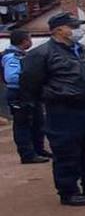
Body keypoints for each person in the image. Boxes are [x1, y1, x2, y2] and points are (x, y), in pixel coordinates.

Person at [20, 12, 85, 206]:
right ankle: (69, 191)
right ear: (59, 30)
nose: (77, 31)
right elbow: (30, 84)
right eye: (72, 27)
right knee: (67, 151)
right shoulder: (41, 54)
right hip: (63, 110)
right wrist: (52, 97)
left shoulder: (83, 50)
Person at [3, 30, 51, 164]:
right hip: (19, 94)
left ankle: (38, 150)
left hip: (30, 93)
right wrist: (31, 79)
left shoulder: (23, 55)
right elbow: (11, 77)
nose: (30, 42)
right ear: (24, 41)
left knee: (38, 121)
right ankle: (27, 155)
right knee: (23, 125)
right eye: (29, 39)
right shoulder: (11, 56)